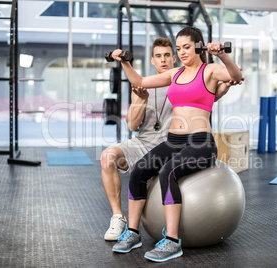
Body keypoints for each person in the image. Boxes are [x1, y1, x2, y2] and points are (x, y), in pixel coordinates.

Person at [111, 26, 242, 262]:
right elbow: (139, 80)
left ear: (199, 46)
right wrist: (124, 62)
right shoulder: (175, 75)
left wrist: (221, 54)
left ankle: (172, 241)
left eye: (186, 48)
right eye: (179, 48)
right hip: (173, 141)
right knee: (139, 170)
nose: (181, 53)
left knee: (167, 171)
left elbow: (235, 76)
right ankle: (132, 233)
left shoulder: (210, 70)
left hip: (200, 142)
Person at [101, 37, 176, 241]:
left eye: (167, 55)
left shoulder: (183, 83)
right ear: (152, 60)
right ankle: (118, 217)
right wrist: (141, 101)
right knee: (108, 157)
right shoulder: (142, 84)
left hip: (170, 147)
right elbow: (132, 125)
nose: (163, 60)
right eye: (158, 56)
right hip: (142, 144)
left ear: (174, 59)